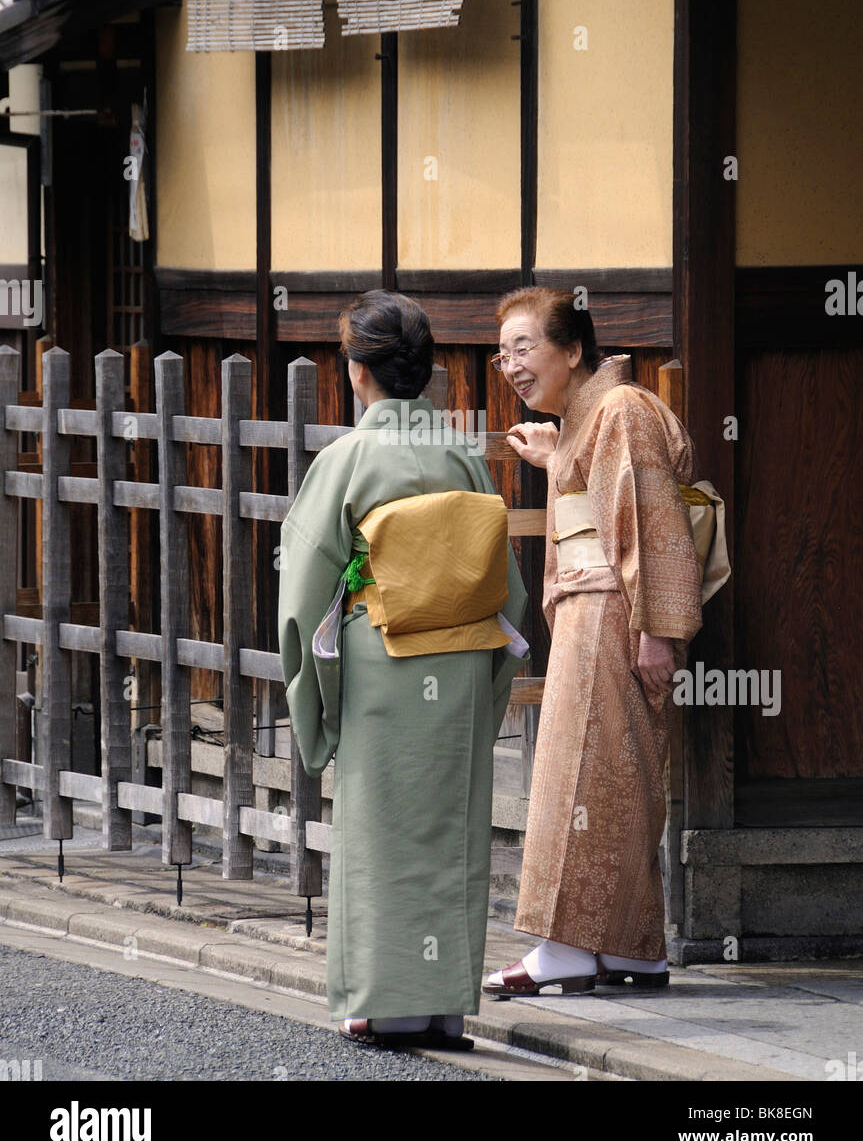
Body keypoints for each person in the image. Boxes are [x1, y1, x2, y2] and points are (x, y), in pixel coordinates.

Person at [278, 290, 529, 1046]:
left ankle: (384, 1005)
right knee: (447, 829)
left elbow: (302, 597)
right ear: (425, 373)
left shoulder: (347, 458)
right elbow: (505, 589)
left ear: (358, 373)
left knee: (379, 831)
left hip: (382, 663)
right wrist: (486, 693)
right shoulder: (462, 454)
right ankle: (444, 1003)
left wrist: (314, 710)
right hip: (456, 664)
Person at [483, 287, 703, 996]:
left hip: (614, 613)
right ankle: (633, 948)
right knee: (608, 778)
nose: (510, 365)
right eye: (503, 354)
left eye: (525, 348)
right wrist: (557, 457)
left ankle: (569, 947)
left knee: (585, 774)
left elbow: (650, 524)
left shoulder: (620, 411)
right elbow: (597, 497)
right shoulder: (591, 418)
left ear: (573, 349)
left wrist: (657, 631)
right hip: (595, 610)